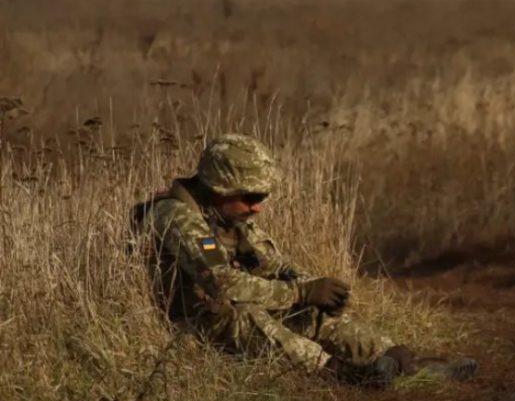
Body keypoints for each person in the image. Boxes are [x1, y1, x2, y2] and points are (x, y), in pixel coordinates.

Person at [131, 133, 477, 386]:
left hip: (229, 310)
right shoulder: (176, 217)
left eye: (261, 197)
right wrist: (300, 292)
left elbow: (273, 263)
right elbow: (224, 285)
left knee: (310, 312)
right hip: (195, 324)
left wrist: (315, 289)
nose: (258, 207)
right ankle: (337, 374)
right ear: (220, 189)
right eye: (250, 197)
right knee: (245, 313)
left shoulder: (226, 217)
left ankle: (401, 361)